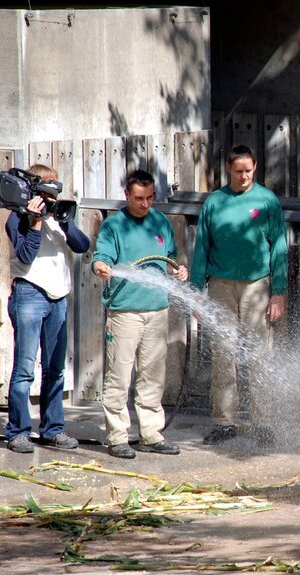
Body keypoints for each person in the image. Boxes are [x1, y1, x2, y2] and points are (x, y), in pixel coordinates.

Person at [190, 144, 288, 445]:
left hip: (256, 285)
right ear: (229, 169)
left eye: (248, 170)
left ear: (255, 167)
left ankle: (263, 423)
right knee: (223, 353)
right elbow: (201, 247)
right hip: (220, 284)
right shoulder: (215, 202)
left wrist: (279, 292)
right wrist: (196, 292)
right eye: (238, 171)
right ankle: (224, 422)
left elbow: (279, 246)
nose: (244, 176)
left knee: (259, 354)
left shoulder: (267, 200)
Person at [91, 169, 188, 459]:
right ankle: (117, 437)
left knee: (153, 376)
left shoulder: (160, 222)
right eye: (138, 198)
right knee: (119, 375)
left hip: (157, 310)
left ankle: (151, 434)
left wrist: (179, 270)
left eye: (149, 198)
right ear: (127, 195)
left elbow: (170, 258)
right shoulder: (114, 225)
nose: (145, 204)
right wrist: (101, 267)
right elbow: (101, 257)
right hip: (124, 312)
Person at [4, 164, 90, 453]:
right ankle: (17, 432)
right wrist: (36, 222)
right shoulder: (17, 217)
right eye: (46, 189)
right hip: (29, 294)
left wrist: (63, 220)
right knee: (25, 369)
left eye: (54, 189)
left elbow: (82, 245)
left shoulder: (59, 215)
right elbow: (26, 255)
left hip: (58, 298)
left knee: (55, 369)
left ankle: (53, 430)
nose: (51, 195)